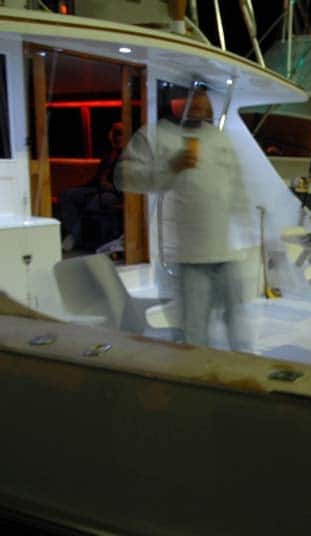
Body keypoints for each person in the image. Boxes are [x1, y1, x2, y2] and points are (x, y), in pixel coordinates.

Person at [115, 88, 251, 350]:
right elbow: (124, 178)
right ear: (175, 100)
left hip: (226, 251)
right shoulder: (155, 134)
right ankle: (195, 378)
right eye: (192, 97)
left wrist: (247, 228)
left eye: (203, 97)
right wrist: (171, 166)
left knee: (237, 322)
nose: (200, 103)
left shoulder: (218, 137)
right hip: (187, 256)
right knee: (194, 329)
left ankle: (244, 372)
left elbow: (237, 186)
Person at [59, 122, 124, 251]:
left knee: (96, 202)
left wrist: (111, 187)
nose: (116, 137)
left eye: (119, 134)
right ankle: (77, 235)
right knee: (67, 195)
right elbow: (97, 178)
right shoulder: (110, 154)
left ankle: (77, 237)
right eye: (114, 134)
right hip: (98, 189)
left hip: (118, 194)